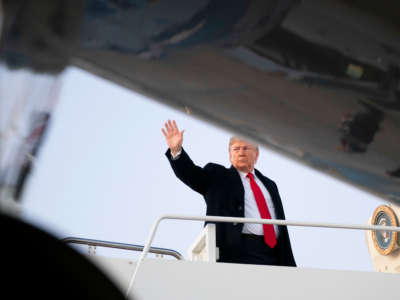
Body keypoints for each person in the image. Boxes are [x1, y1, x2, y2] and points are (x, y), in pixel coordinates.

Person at [162, 120, 296, 266]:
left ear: (256, 154)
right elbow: (191, 174)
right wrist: (176, 151)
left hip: (273, 254)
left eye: (246, 148)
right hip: (236, 251)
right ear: (229, 155)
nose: (241, 152)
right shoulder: (218, 176)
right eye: (236, 149)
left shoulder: (270, 184)